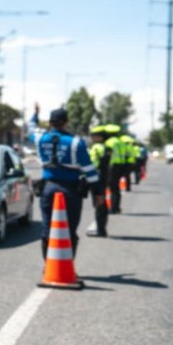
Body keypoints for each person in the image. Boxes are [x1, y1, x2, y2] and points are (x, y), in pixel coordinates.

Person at [29, 104, 104, 260]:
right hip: (71, 191)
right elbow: (90, 171)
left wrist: (35, 113)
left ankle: (49, 267)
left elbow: (31, 128)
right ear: (66, 123)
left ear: (50, 122)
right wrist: (97, 193)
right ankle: (67, 266)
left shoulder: (40, 138)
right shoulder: (76, 143)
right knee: (69, 230)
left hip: (48, 189)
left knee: (47, 229)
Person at [86, 126, 111, 237]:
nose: (92, 138)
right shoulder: (106, 147)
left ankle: (100, 230)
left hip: (96, 178)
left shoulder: (96, 147)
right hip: (104, 177)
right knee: (101, 203)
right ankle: (101, 228)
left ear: (100, 137)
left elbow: (92, 163)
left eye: (93, 136)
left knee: (99, 203)